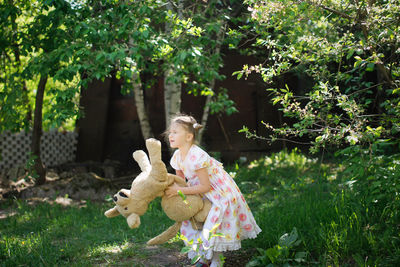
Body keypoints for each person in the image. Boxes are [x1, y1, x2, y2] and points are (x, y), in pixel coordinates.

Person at [165, 114, 261, 267]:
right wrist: (177, 192)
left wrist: (179, 191)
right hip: (198, 190)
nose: (170, 135)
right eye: (170, 132)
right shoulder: (177, 157)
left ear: (189, 136)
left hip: (218, 191)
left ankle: (217, 258)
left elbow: (206, 186)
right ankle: (202, 256)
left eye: (175, 132)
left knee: (214, 220)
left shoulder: (197, 156)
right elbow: (182, 183)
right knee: (190, 218)